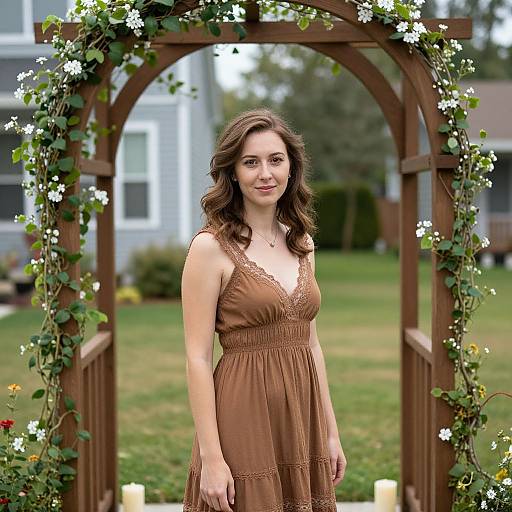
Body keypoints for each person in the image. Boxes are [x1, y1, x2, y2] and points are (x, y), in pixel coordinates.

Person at [181, 107, 347, 512]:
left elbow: (311, 344)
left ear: (291, 167)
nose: (265, 173)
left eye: (275, 160)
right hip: (243, 416)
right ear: (233, 172)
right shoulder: (210, 248)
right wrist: (212, 458)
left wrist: (330, 431)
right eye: (250, 162)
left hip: (301, 417)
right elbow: (198, 357)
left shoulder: (302, 243)